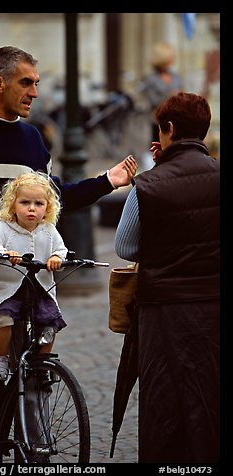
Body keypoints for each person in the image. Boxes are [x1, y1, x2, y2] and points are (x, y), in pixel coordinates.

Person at [0, 45, 137, 463]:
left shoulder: (32, 139)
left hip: (24, 285)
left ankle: (33, 457)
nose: (34, 93)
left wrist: (107, 181)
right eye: (26, 82)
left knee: (31, 381)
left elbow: (51, 199)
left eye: (36, 83)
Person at [114, 92, 220, 463]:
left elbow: (125, 247)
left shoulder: (147, 186)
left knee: (166, 407)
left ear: (169, 129)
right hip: (214, 308)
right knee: (211, 398)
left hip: (163, 314)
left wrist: (157, 176)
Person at [0, 172, 68, 381]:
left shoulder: (48, 230)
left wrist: (57, 257)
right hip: (8, 289)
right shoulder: (4, 228)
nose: (32, 208)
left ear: (47, 208)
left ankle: (43, 362)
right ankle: (1, 358)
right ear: (12, 205)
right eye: (25, 202)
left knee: (51, 322)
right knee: (4, 319)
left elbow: (61, 249)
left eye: (39, 203)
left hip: (39, 288)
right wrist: (4, 253)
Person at [138, 41, 183, 142]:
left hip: (176, 121)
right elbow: (153, 101)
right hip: (158, 121)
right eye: (171, 55)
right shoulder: (150, 78)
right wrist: (171, 96)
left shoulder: (176, 77)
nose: (174, 58)